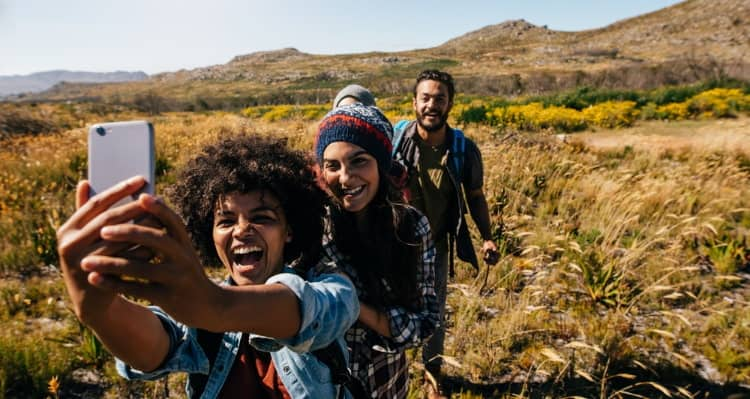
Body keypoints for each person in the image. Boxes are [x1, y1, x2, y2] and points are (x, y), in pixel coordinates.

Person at [55, 136, 360, 398]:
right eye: (225, 221)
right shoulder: (196, 311)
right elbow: (152, 350)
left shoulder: (331, 288)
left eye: (262, 217)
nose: (241, 230)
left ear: (289, 230)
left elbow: (310, 312)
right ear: (208, 234)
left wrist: (216, 307)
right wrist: (99, 311)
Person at [314, 103, 440, 399]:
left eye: (359, 161)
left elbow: (424, 324)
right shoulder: (313, 229)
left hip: (385, 382)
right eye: (332, 165)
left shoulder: (410, 227)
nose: (345, 178)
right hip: (320, 385)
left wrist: (351, 303)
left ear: (381, 164)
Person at [392, 70, 500, 398]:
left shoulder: (463, 150)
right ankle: (392, 369)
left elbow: (476, 196)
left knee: (435, 312)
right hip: (395, 243)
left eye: (440, 98)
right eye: (425, 98)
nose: (432, 105)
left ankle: (431, 374)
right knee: (391, 307)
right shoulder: (394, 143)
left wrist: (487, 236)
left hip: (436, 246)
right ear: (414, 102)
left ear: (450, 103)